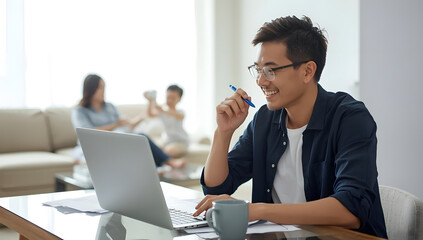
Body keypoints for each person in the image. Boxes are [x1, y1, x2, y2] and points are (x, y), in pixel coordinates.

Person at [193, 16, 387, 238]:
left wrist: (257, 209)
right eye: (258, 70)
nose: (260, 81)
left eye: (270, 70)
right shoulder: (266, 119)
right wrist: (223, 132)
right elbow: (217, 190)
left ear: (307, 71)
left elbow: (351, 209)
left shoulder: (350, 119)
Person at [71, 74, 185, 169]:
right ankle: (165, 163)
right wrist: (115, 125)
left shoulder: (109, 106)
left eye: (104, 87)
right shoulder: (80, 111)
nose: (103, 91)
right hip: (97, 144)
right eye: (100, 87)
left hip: (116, 141)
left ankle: (160, 166)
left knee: (141, 137)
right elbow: (87, 132)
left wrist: (143, 113)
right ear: (91, 89)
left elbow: (127, 124)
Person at [144, 84, 189, 158]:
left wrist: (162, 110)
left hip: (181, 141)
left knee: (169, 151)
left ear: (179, 99)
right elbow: (150, 114)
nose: (170, 100)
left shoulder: (180, 112)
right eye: (168, 97)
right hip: (167, 141)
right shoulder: (162, 111)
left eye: (173, 98)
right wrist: (150, 101)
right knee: (151, 149)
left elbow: (179, 116)